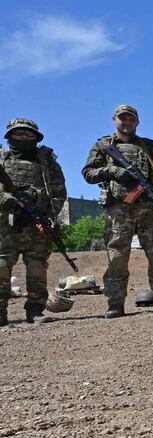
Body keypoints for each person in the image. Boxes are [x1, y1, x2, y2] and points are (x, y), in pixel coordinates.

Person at [83, 105, 153, 318]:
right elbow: (88, 173)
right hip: (119, 209)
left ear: (137, 123)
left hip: (149, 208)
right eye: (123, 119)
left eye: (131, 120)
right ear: (114, 120)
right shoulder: (103, 146)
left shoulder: (147, 146)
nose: (127, 123)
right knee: (117, 255)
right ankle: (115, 303)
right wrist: (111, 171)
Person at [0, 118, 67, 326]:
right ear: (10, 136)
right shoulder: (2, 160)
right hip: (5, 225)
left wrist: (47, 217)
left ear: (36, 138)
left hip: (37, 225)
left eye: (28, 134)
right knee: (1, 266)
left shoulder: (47, 162)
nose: (24, 137)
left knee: (37, 267)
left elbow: (59, 192)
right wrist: (4, 199)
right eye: (19, 133)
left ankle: (35, 309)